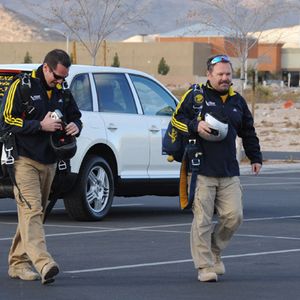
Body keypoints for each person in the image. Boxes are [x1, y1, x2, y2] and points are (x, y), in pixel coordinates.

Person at [171, 54, 262, 282]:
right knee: (201, 220)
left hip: (229, 170)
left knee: (234, 216)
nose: (224, 78)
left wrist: (255, 157)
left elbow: (248, 131)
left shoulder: (237, 101)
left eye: (228, 74)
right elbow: (175, 120)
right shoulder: (195, 96)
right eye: (220, 74)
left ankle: (214, 250)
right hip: (201, 169)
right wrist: (195, 124)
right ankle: (204, 267)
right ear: (209, 74)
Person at [0, 49, 82, 284]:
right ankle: (44, 263)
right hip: (23, 159)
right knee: (33, 211)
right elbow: (6, 120)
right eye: (57, 77)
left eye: (63, 78)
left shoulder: (62, 91)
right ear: (46, 67)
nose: (60, 82)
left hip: (51, 161)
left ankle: (17, 262)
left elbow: (75, 115)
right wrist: (39, 125)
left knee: (33, 214)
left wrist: (76, 125)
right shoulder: (23, 86)